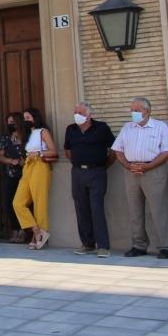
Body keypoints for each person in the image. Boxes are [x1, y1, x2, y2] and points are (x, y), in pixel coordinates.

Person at [112, 96, 168, 259]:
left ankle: (165, 246)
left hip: (153, 171)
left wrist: (149, 165)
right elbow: (117, 150)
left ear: (146, 111)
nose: (133, 113)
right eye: (131, 110)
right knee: (135, 211)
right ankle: (139, 245)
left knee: (158, 209)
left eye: (136, 110)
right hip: (131, 171)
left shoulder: (160, 127)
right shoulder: (127, 127)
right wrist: (127, 165)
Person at [64, 102, 116, 258]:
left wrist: (103, 166)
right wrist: (77, 163)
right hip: (78, 172)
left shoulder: (101, 128)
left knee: (96, 208)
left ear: (88, 115)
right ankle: (87, 244)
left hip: (97, 172)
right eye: (75, 112)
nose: (76, 115)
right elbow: (67, 150)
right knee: (81, 208)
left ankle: (103, 246)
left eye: (80, 112)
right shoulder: (71, 129)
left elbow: (113, 150)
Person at [13, 107, 58, 250]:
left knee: (40, 202)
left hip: (40, 165)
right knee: (18, 202)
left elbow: (53, 151)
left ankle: (39, 235)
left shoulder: (43, 132)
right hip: (28, 167)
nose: (26, 120)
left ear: (35, 118)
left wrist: (39, 153)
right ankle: (36, 230)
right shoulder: (26, 135)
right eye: (24, 118)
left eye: (28, 118)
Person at [0, 112, 26, 243]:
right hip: (10, 175)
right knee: (9, 203)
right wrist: (11, 161)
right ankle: (15, 229)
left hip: (26, 175)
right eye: (8, 122)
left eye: (12, 122)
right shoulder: (6, 138)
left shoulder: (27, 136)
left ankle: (24, 230)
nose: (10, 125)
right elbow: (0, 155)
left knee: (23, 203)